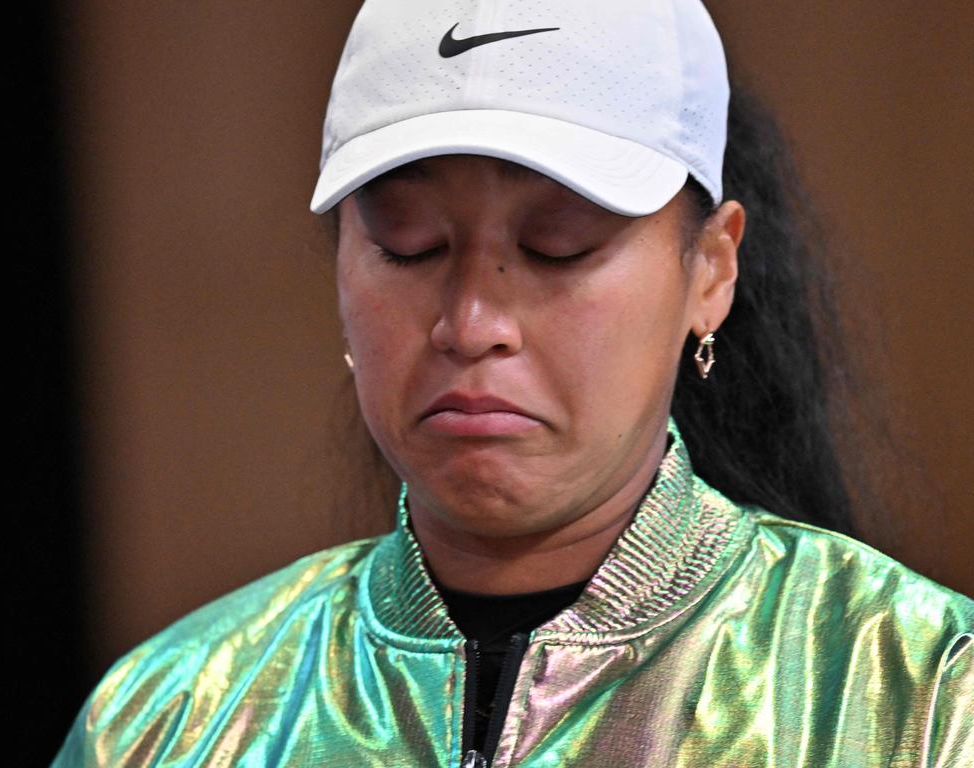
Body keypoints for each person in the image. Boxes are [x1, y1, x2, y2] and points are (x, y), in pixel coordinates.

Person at [53, 1, 973, 766]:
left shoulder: (921, 697)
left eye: (557, 247)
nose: (471, 325)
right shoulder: (164, 723)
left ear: (712, 270)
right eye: (408, 244)